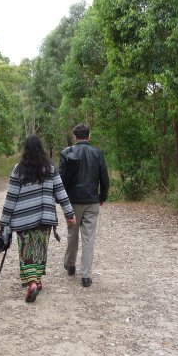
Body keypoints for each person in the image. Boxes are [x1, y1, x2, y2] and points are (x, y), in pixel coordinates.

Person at [0, 135, 76, 303]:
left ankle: (32, 283)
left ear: (25, 151)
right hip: (45, 218)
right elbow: (61, 192)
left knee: (26, 250)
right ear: (41, 150)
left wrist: (4, 221)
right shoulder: (50, 169)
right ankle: (37, 280)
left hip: (23, 219)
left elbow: (11, 198)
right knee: (40, 249)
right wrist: (69, 213)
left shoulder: (18, 170)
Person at [59, 123, 109, 288]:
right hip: (92, 201)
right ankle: (86, 276)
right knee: (89, 238)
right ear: (89, 136)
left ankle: (70, 265)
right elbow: (104, 178)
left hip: (72, 202)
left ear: (75, 137)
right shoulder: (97, 153)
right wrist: (102, 196)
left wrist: (60, 199)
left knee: (72, 234)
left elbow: (60, 179)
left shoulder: (66, 153)